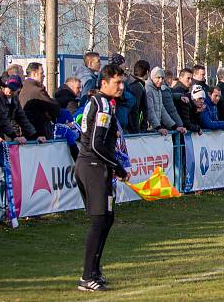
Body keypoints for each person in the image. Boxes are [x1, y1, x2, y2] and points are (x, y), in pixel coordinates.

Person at [75, 64, 128, 292]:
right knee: (99, 220)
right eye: (117, 82)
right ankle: (87, 276)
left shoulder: (102, 103)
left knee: (107, 218)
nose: (122, 86)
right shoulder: (103, 105)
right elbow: (96, 145)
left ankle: (95, 271)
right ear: (104, 83)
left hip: (98, 167)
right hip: (93, 167)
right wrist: (118, 165)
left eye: (122, 82)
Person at [19, 63, 60, 140]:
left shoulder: (24, 88)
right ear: (34, 74)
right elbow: (54, 108)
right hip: (39, 135)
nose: (44, 76)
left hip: (30, 133)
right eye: (41, 73)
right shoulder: (37, 91)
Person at [0, 76, 42, 143]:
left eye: (13, 90)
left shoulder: (15, 100)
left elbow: (22, 119)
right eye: (8, 88)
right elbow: (2, 119)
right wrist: (14, 136)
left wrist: (35, 135)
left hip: (7, 134)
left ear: (18, 90)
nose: (9, 91)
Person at [144, 66, 184, 135]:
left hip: (156, 129)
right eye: (158, 77)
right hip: (149, 130)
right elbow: (150, 110)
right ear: (152, 77)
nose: (160, 80)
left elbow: (162, 111)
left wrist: (174, 126)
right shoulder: (148, 90)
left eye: (162, 78)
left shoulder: (158, 90)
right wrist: (158, 127)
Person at [172, 68, 200, 133]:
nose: (190, 81)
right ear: (180, 78)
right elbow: (183, 113)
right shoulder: (179, 91)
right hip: (182, 128)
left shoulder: (185, 91)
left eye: (191, 79)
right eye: (188, 78)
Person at [127, 61, 149, 133]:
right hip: (135, 130)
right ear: (147, 72)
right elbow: (135, 109)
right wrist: (137, 129)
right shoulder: (137, 86)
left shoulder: (133, 84)